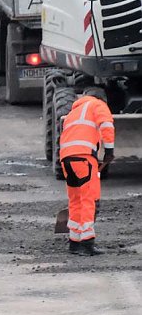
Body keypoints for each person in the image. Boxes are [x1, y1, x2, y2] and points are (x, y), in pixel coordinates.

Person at [58, 87, 114, 256]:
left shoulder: (73, 113)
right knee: (89, 199)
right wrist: (109, 151)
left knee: (75, 199)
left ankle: (74, 242)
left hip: (66, 159)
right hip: (84, 157)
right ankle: (87, 242)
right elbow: (106, 125)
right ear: (102, 98)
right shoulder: (98, 104)